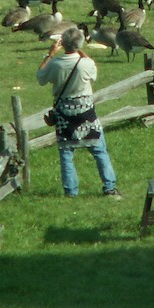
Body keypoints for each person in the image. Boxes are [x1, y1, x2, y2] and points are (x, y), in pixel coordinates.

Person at [36, 26, 121, 198]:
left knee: (66, 153)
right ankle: (109, 187)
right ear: (80, 43)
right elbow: (93, 71)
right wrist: (79, 50)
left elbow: (40, 77)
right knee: (99, 150)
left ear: (62, 44)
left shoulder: (55, 64)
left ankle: (71, 191)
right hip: (86, 112)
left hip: (64, 112)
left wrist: (50, 54)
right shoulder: (87, 63)